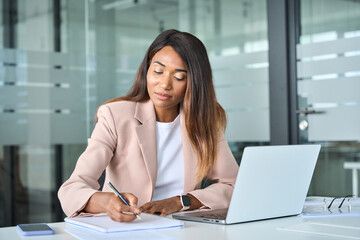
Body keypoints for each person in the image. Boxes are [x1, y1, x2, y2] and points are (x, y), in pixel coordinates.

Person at [58, 29, 239, 222]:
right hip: (128, 229)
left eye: (179, 77)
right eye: (158, 71)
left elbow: (233, 185)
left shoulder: (205, 123)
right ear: (147, 70)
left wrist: (180, 201)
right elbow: (72, 189)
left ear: (194, 82)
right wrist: (107, 202)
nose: (164, 84)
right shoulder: (115, 115)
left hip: (184, 229)